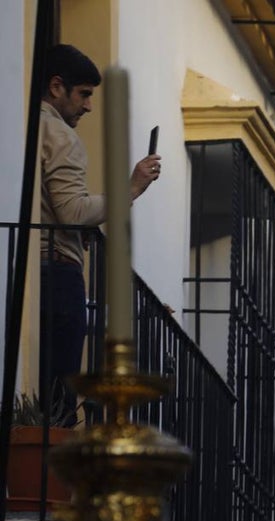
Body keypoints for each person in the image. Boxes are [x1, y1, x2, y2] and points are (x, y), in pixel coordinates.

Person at [40, 43, 161, 423]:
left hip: (36, 270)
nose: (89, 106)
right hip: (58, 273)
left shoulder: (24, 127)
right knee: (58, 400)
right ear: (56, 87)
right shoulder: (61, 136)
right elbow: (73, 212)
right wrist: (132, 188)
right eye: (84, 94)